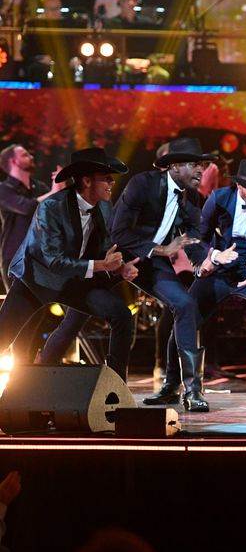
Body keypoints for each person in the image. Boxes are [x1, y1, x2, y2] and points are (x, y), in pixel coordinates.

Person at [155, 159, 246, 409]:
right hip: (221, 266)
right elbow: (198, 235)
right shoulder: (219, 198)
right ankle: (171, 383)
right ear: (239, 186)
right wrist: (212, 256)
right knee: (186, 316)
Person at [111, 138, 229, 412]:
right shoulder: (143, 184)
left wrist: (206, 263)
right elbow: (118, 232)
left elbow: (194, 240)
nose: (201, 171)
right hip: (114, 256)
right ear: (174, 167)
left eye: (202, 165)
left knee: (185, 304)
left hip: (151, 262)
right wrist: (160, 249)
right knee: (76, 317)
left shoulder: (191, 197)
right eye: (194, 165)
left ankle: (188, 389)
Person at [0, 147, 137, 380]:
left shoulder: (104, 205)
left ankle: (115, 384)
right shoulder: (51, 207)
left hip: (73, 279)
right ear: (86, 180)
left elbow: (104, 245)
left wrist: (121, 267)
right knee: (5, 337)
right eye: (106, 177)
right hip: (37, 278)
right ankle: (24, 391)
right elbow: (51, 260)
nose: (111, 183)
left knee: (121, 314)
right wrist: (101, 265)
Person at [0, 144, 65, 289]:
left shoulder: (40, 187)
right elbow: (27, 207)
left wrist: (62, 192)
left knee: (63, 302)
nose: (31, 157)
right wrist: (54, 192)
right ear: (13, 162)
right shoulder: (3, 189)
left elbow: (58, 213)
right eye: (24, 155)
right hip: (16, 259)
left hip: (43, 257)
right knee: (19, 309)